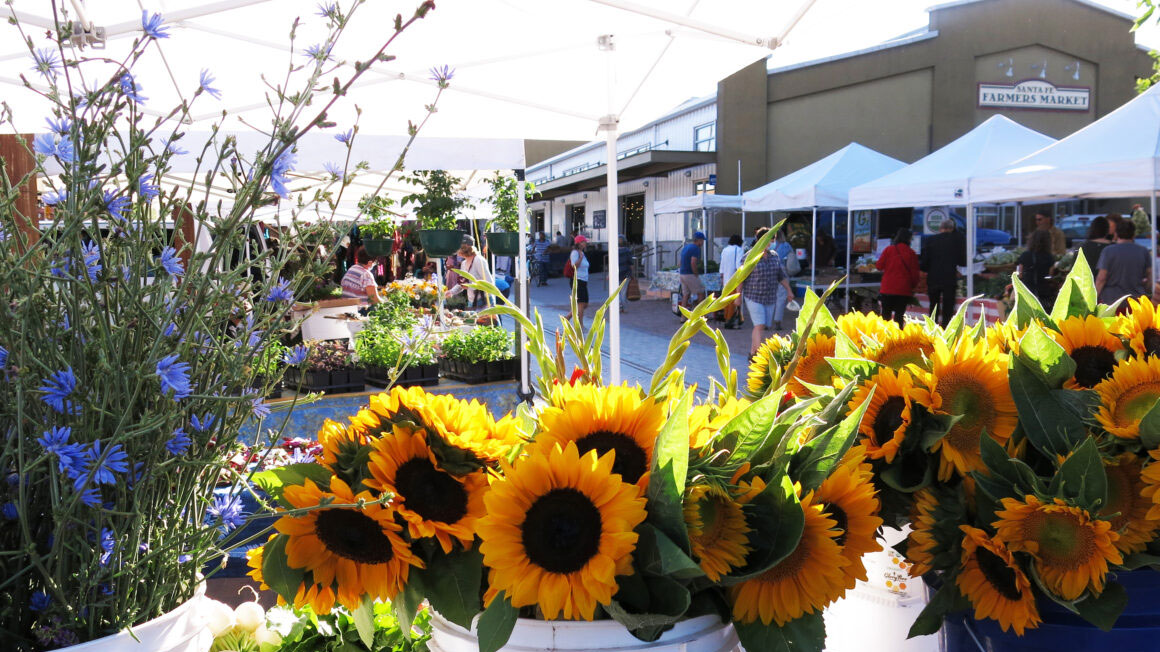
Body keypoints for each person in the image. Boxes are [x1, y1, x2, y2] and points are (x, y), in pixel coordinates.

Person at [741, 227, 793, 357]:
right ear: (761, 240)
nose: (771, 243)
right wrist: (737, 297)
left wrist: (789, 290)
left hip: (769, 297)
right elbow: (741, 278)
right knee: (760, 325)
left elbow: (781, 276)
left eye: (773, 240)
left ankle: (752, 353)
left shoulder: (774, 256)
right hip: (753, 296)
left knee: (764, 326)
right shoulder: (749, 257)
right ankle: (758, 355)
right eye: (770, 240)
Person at [920, 218, 966, 327]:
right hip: (949, 278)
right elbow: (963, 261)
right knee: (948, 308)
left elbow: (924, 264)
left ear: (940, 228)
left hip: (933, 278)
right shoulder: (957, 240)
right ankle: (946, 329)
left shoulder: (931, 240)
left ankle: (932, 329)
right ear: (952, 228)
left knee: (933, 306)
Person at [1097, 219, 1153, 307]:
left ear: (1116, 233)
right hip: (1136, 300)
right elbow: (1150, 276)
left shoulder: (1108, 251)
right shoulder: (1143, 251)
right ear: (1134, 234)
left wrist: (1094, 298)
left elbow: (1101, 278)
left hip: (1111, 301)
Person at [876, 228, 920, 327]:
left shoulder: (888, 250)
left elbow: (879, 266)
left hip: (887, 289)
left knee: (885, 317)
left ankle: (884, 335)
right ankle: (898, 335)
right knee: (899, 317)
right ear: (909, 239)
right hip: (903, 290)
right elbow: (915, 275)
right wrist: (912, 287)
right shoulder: (911, 253)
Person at [446, 235, 494, 309]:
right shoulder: (464, 263)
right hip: (472, 302)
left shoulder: (478, 260)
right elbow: (462, 283)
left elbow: (489, 283)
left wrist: (470, 286)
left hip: (484, 301)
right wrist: (451, 292)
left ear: (463, 248)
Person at [1018, 229, 1057, 306]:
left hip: (1027, 291)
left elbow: (1020, 274)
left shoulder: (1025, 255)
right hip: (1043, 293)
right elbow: (1050, 276)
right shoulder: (1049, 257)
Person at [563, 235, 591, 326]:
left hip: (583, 281)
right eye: (584, 242)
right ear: (579, 243)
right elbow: (574, 265)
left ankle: (567, 317)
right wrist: (580, 258)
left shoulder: (581, 252)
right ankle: (580, 325)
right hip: (577, 280)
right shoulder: (575, 253)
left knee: (584, 304)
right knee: (581, 304)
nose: (585, 243)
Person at [720, 234, 746, 328]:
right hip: (734, 279)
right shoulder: (738, 250)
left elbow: (722, 267)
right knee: (734, 302)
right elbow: (739, 266)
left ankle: (727, 319)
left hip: (726, 280)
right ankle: (731, 321)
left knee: (727, 302)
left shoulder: (724, 250)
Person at [678, 231, 707, 310]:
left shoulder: (686, 247)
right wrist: (696, 273)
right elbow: (693, 262)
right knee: (701, 293)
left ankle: (683, 316)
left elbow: (679, 263)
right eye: (702, 240)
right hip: (690, 274)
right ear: (699, 240)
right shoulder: (696, 248)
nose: (703, 243)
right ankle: (700, 314)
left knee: (686, 295)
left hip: (682, 274)